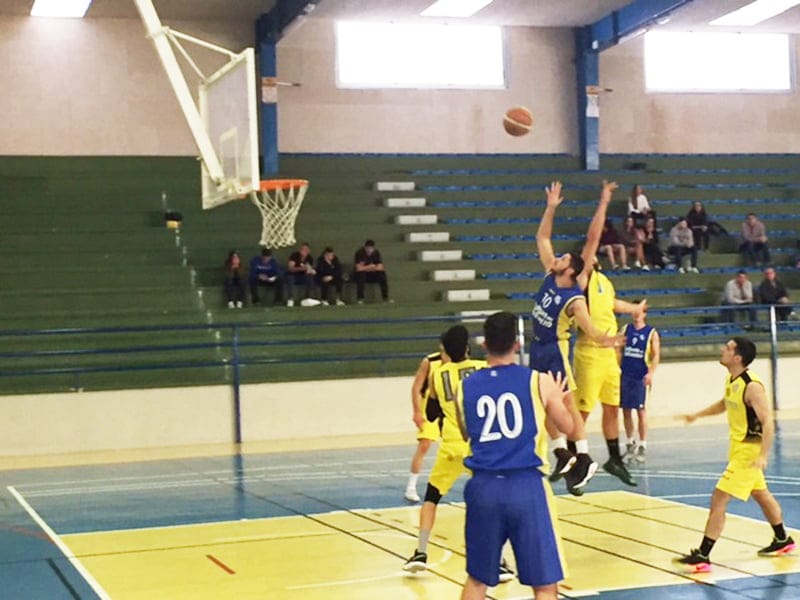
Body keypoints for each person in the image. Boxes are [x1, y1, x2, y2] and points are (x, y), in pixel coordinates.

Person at [457, 312, 573, 600]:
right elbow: (569, 426)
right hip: (525, 486)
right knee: (545, 585)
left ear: (485, 344)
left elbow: (467, 433)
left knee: (477, 580)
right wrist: (558, 398)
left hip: (483, 487)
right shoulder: (538, 381)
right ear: (518, 344)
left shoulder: (465, 386)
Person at [404, 326, 517, 578]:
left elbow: (432, 413)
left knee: (432, 498)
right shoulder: (481, 368)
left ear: (445, 350)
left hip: (451, 447)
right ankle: (498, 561)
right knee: (491, 502)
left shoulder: (438, 373)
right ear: (467, 347)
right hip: (479, 448)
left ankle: (421, 552)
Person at [675, 337, 795, 572]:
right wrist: (696, 415)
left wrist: (763, 455)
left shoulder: (752, 386)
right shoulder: (732, 380)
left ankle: (703, 555)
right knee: (761, 494)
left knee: (719, 498)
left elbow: (768, 422)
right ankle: (782, 539)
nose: (723, 349)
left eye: (728, 348)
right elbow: (724, 403)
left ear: (738, 357)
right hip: (739, 449)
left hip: (749, 453)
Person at [530, 181, 617, 496]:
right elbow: (542, 237)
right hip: (537, 350)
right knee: (546, 406)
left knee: (566, 406)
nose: (558, 258)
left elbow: (591, 329)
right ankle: (562, 454)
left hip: (554, 352)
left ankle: (584, 456)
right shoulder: (549, 275)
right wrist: (550, 208)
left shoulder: (574, 298)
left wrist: (608, 340)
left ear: (571, 271)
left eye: (564, 259)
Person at [572, 183, 647, 490]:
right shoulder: (583, 277)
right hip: (590, 350)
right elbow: (592, 238)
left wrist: (634, 308)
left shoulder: (604, 280)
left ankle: (614, 458)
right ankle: (576, 463)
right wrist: (603, 201)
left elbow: (612, 305)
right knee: (582, 412)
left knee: (612, 409)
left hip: (609, 354)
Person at [618, 303, 660, 464]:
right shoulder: (625, 329)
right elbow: (618, 348)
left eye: (639, 312)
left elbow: (656, 355)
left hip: (640, 376)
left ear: (644, 314)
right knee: (626, 410)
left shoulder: (651, 333)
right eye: (634, 311)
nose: (636, 314)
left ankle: (643, 444)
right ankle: (630, 442)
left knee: (641, 410)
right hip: (626, 374)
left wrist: (651, 373)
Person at [404, 349, 446, 503]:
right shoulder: (430, 361)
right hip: (430, 407)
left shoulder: (460, 361)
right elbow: (416, 387)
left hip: (448, 408)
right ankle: (411, 487)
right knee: (425, 445)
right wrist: (416, 412)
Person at [286, 242, 316, 307]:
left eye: (306, 250)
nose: (304, 251)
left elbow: (309, 268)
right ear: (300, 250)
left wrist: (311, 271)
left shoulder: (309, 258)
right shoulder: (294, 256)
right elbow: (290, 268)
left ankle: (308, 299)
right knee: (290, 278)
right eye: (303, 249)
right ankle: (291, 299)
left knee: (310, 278)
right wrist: (302, 268)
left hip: (303, 276)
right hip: (294, 275)